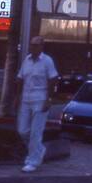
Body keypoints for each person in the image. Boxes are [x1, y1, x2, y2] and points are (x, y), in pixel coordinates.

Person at [16, 36, 58, 173]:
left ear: (41, 47)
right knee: (22, 130)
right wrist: (17, 97)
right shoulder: (26, 60)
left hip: (40, 99)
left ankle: (32, 161)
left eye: (36, 45)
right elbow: (20, 78)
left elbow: (53, 79)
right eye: (31, 45)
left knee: (36, 132)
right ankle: (39, 150)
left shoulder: (47, 61)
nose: (33, 47)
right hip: (26, 99)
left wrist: (49, 99)